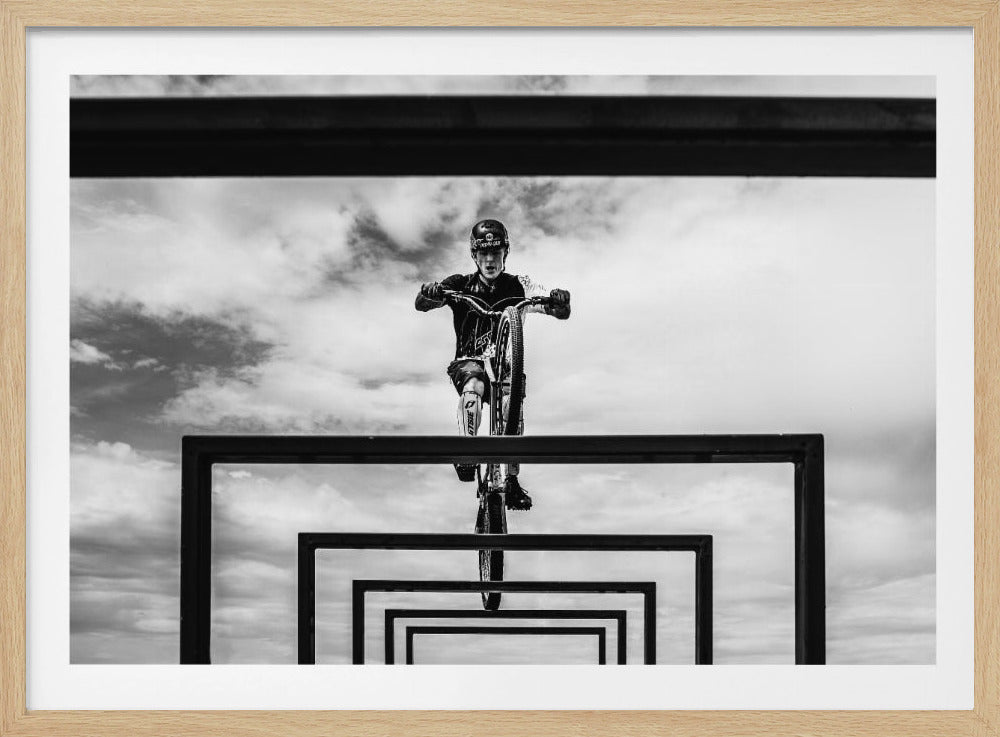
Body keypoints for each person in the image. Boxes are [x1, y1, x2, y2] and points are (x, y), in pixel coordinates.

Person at [416, 218, 571, 511]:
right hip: (470, 362)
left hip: (506, 367)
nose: (490, 259)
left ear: (505, 252)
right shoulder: (460, 284)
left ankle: (510, 479)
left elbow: (558, 310)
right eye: (483, 253)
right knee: (473, 383)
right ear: (474, 255)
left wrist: (559, 300)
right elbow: (422, 303)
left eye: (496, 252)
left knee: (511, 401)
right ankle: (467, 451)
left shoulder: (520, 285)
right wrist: (431, 293)